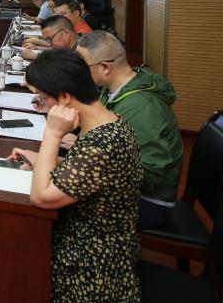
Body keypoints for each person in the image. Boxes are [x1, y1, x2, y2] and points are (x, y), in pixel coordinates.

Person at [7, 49, 141, 303]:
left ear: (65, 97)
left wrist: (52, 133)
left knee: (11, 263)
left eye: (43, 98)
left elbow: (42, 197)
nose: (42, 105)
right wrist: (46, 160)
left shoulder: (103, 144)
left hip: (92, 265)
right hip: (97, 241)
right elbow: (87, 172)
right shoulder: (108, 122)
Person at [76, 31, 183, 229]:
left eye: (82, 66)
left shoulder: (141, 108)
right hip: (126, 186)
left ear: (105, 67)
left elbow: (150, 175)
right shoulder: (115, 88)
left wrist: (89, 160)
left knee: (62, 203)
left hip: (149, 201)